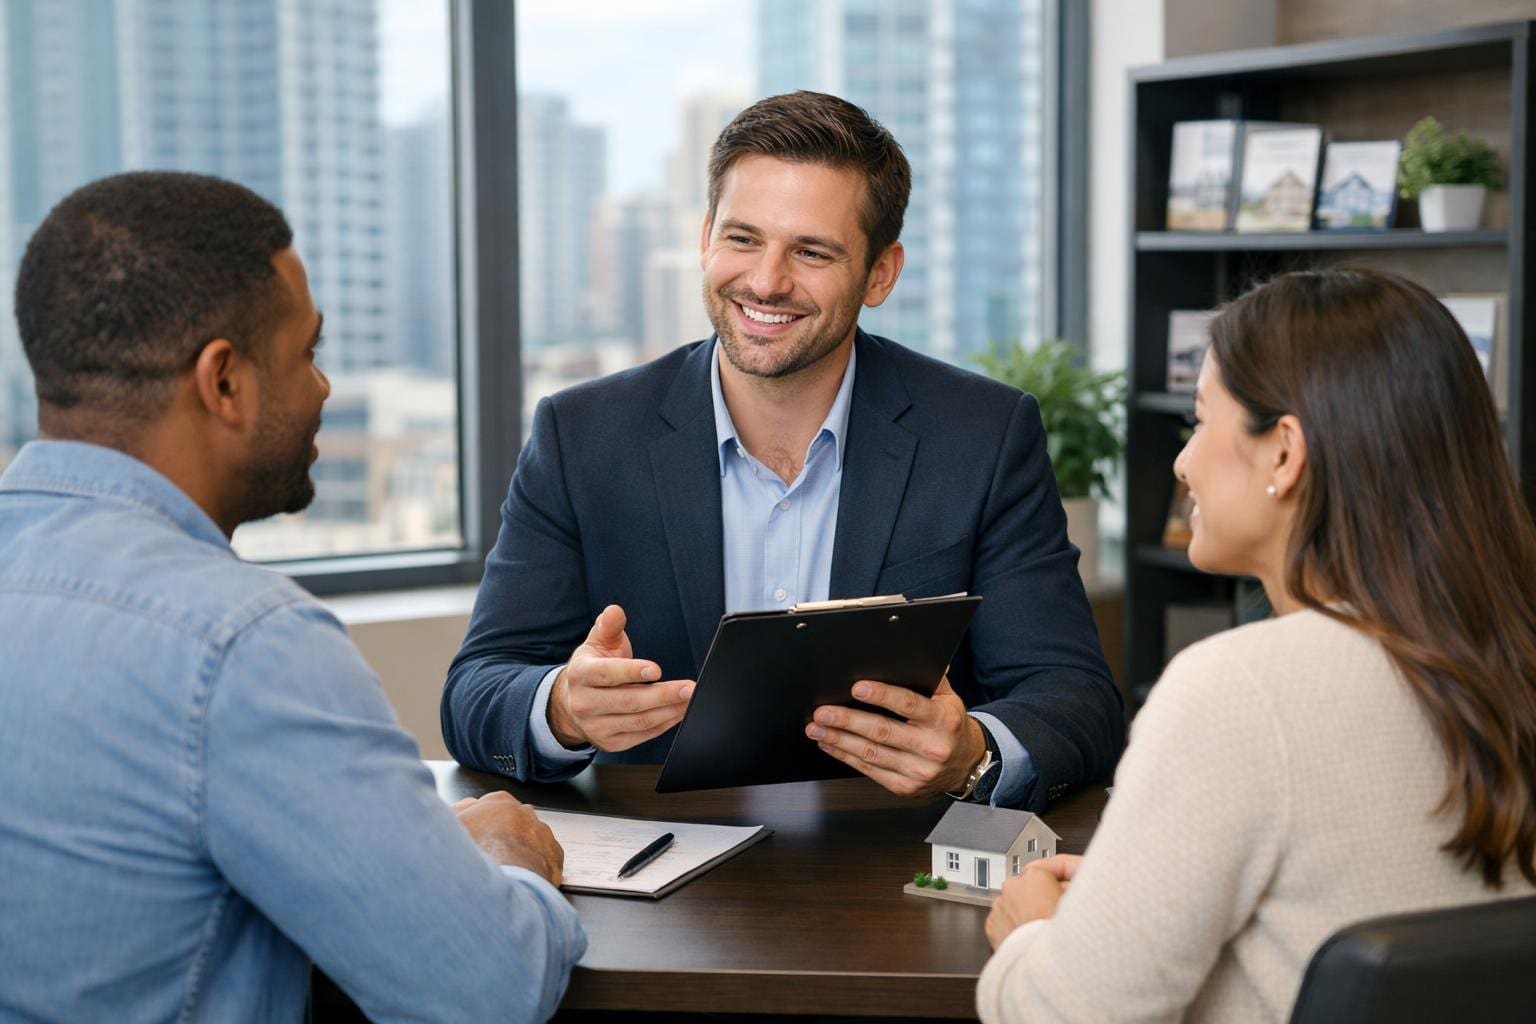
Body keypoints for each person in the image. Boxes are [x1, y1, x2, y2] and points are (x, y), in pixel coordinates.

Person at [0, 172, 585, 1022]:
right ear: (224, 382)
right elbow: (486, 990)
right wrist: (503, 864)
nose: (323, 389)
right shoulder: (241, 647)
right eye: (307, 352)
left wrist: (411, 862)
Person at [441, 91, 1122, 811]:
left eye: (811, 251)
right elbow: (478, 688)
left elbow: (1075, 700)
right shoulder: (579, 435)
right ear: (706, 237)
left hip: (885, 874)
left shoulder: (983, 435)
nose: (766, 281)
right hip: (658, 877)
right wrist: (561, 709)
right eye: (742, 239)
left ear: (882, 273)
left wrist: (971, 752)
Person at [977, 267, 1536, 1022]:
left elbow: (1069, 1012)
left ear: (1284, 453)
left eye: (1201, 422)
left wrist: (1032, 936)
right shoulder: (1505, 651)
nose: (1183, 463)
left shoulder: (1240, 688)